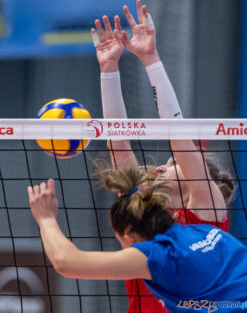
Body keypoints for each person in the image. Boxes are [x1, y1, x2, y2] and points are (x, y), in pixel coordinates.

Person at [91, 1, 235, 312]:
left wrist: (151, 58)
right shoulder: (142, 213)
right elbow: (119, 145)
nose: (160, 167)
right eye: (168, 163)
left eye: (172, 165)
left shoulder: (208, 217)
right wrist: (109, 70)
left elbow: (178, 138)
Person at [27, 169, 247, 313]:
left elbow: (67, 262)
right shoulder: (204, 231)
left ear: (128, 235)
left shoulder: (159, 256)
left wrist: (45, 219)